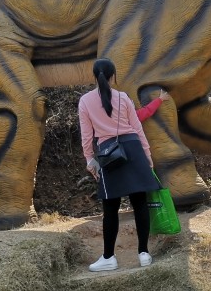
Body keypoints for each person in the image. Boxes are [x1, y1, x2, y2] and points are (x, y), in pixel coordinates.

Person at [78, 58, 160, 271]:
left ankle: (109, 258)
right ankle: (144, 254)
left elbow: (87, 136)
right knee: (140, 202)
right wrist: (147, 155)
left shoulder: (85, 101)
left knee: (111, 208)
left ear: (94, 77)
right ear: (113, 76)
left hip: (109, 154)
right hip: (132, 149)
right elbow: (137, 128)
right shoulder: (124, 98)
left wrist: (90, 160)